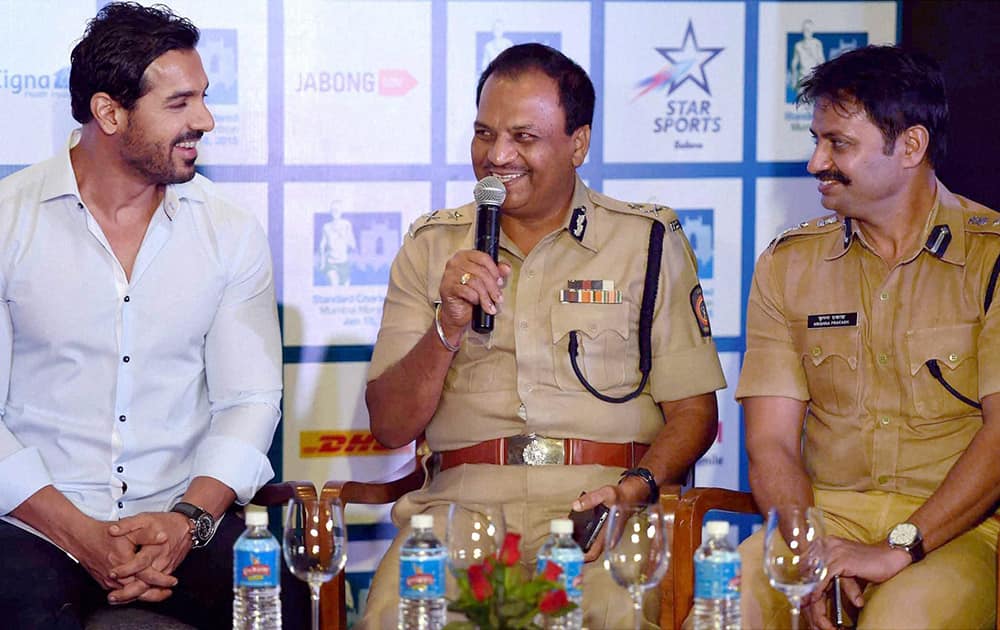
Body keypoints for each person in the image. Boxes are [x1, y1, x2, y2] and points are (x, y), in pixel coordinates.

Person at [360, 43, 725, 628]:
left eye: (524, 137)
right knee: (392, 615)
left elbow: (695, 413)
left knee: (617, 614)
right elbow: (390, 425)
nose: (497, 156)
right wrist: (445, 325)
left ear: (578, 143)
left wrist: (635, 491)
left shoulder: (646, 240)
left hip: (602, 509)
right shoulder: (432, 245)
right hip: (461, 511)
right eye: (484, 134)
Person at [0, 3, 303, 627]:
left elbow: (249, 398)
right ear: (110, 113)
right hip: (36, 524)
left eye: (205, 98)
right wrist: (81, 533)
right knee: (23, 602)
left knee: (281, 597)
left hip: (181, 520)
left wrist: (187, 523)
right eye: (179, 103)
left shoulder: (230, 232)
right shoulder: (9, 220)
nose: (206, 120)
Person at [738, 45, 1000, 629]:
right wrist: (809, 554)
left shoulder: (992, 258)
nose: (815, 162)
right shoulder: (787, 264)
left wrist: (896, 548)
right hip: (822, 525)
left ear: (910, 145)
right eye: (816, 139)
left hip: (959, 529)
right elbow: (771, 443)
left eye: (839, 144)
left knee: (900, 621)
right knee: (729, 606)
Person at [318, 200, 356, 286]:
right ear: (330, 212)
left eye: (337, 210)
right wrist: (322, 262)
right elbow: (322, 246)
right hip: (331, 262)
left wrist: (343, 236)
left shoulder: (346, 225)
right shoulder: (326, 227)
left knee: (345, 289)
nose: (335, 212)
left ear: (341, 211)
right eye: (333, 210)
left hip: (344, 262)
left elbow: (353, 245)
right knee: (334, 286)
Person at [788, 20, 825, 93]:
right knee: (800, 101)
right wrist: (793, 80)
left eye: (808, 29)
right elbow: (794, 64)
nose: (806, 31)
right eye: (804, 29)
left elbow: (822, 62)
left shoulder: (817, 44)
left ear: (812, 31)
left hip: (813, 78)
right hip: (802, 78)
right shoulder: (798, 45)